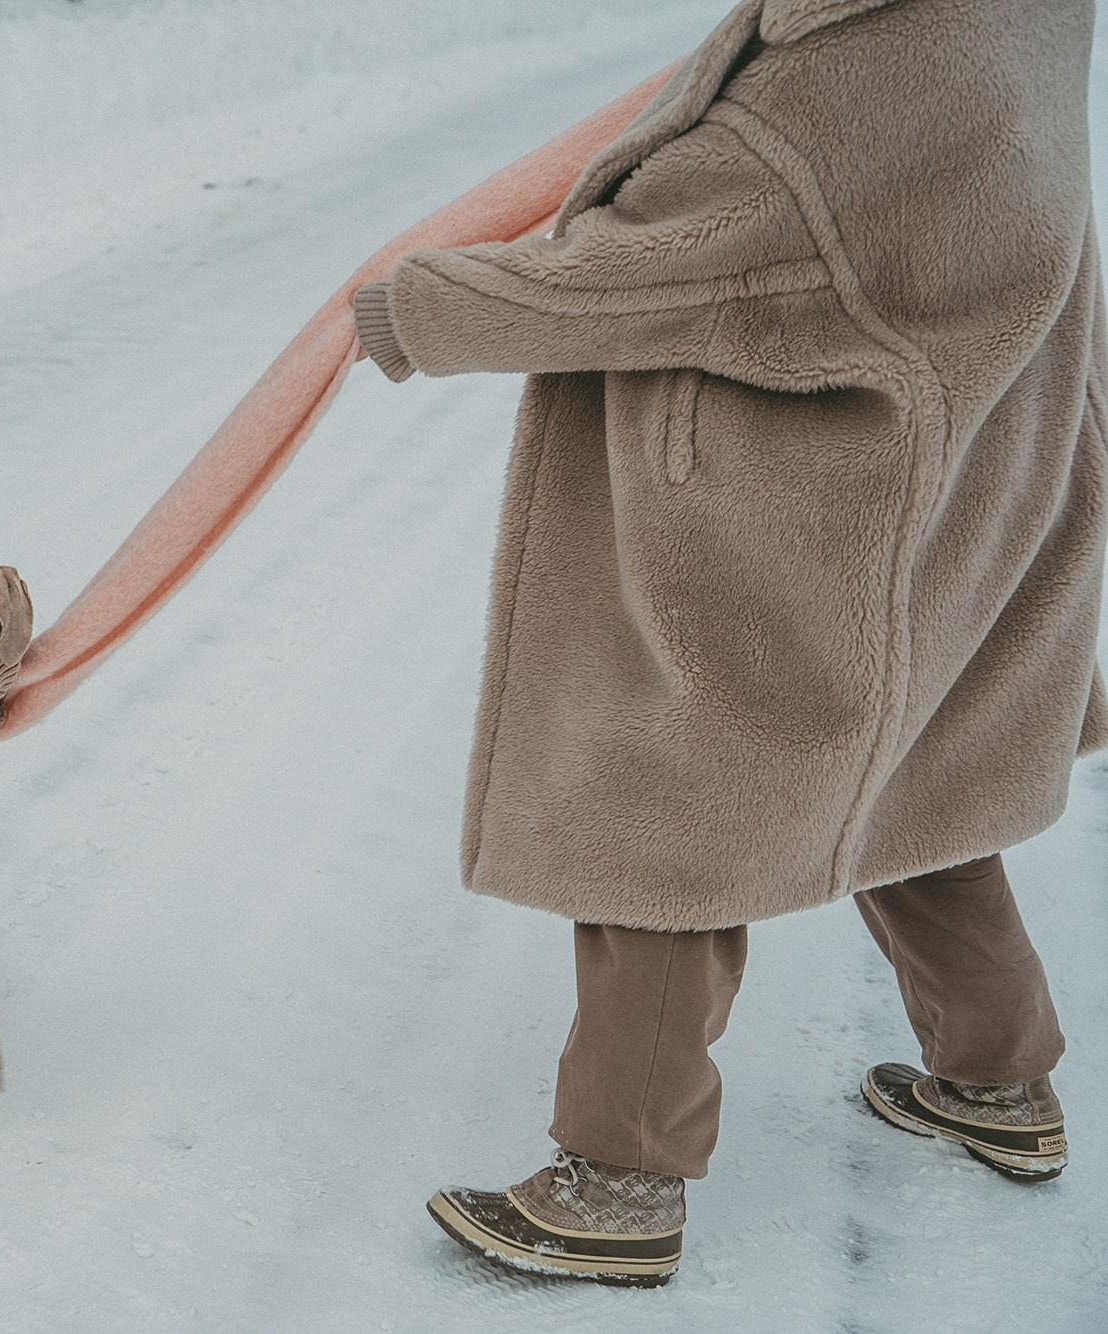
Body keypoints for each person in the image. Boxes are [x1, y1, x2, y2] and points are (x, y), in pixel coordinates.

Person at [352, 0, 1104, 1288]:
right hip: (960, 458)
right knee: (920, 771)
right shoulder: (1020, 16)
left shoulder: (866, 66)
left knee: (668, 810)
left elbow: (679, 266)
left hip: (800, 504)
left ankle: (616, 1183)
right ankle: (998, 1079)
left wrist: (421, 308)